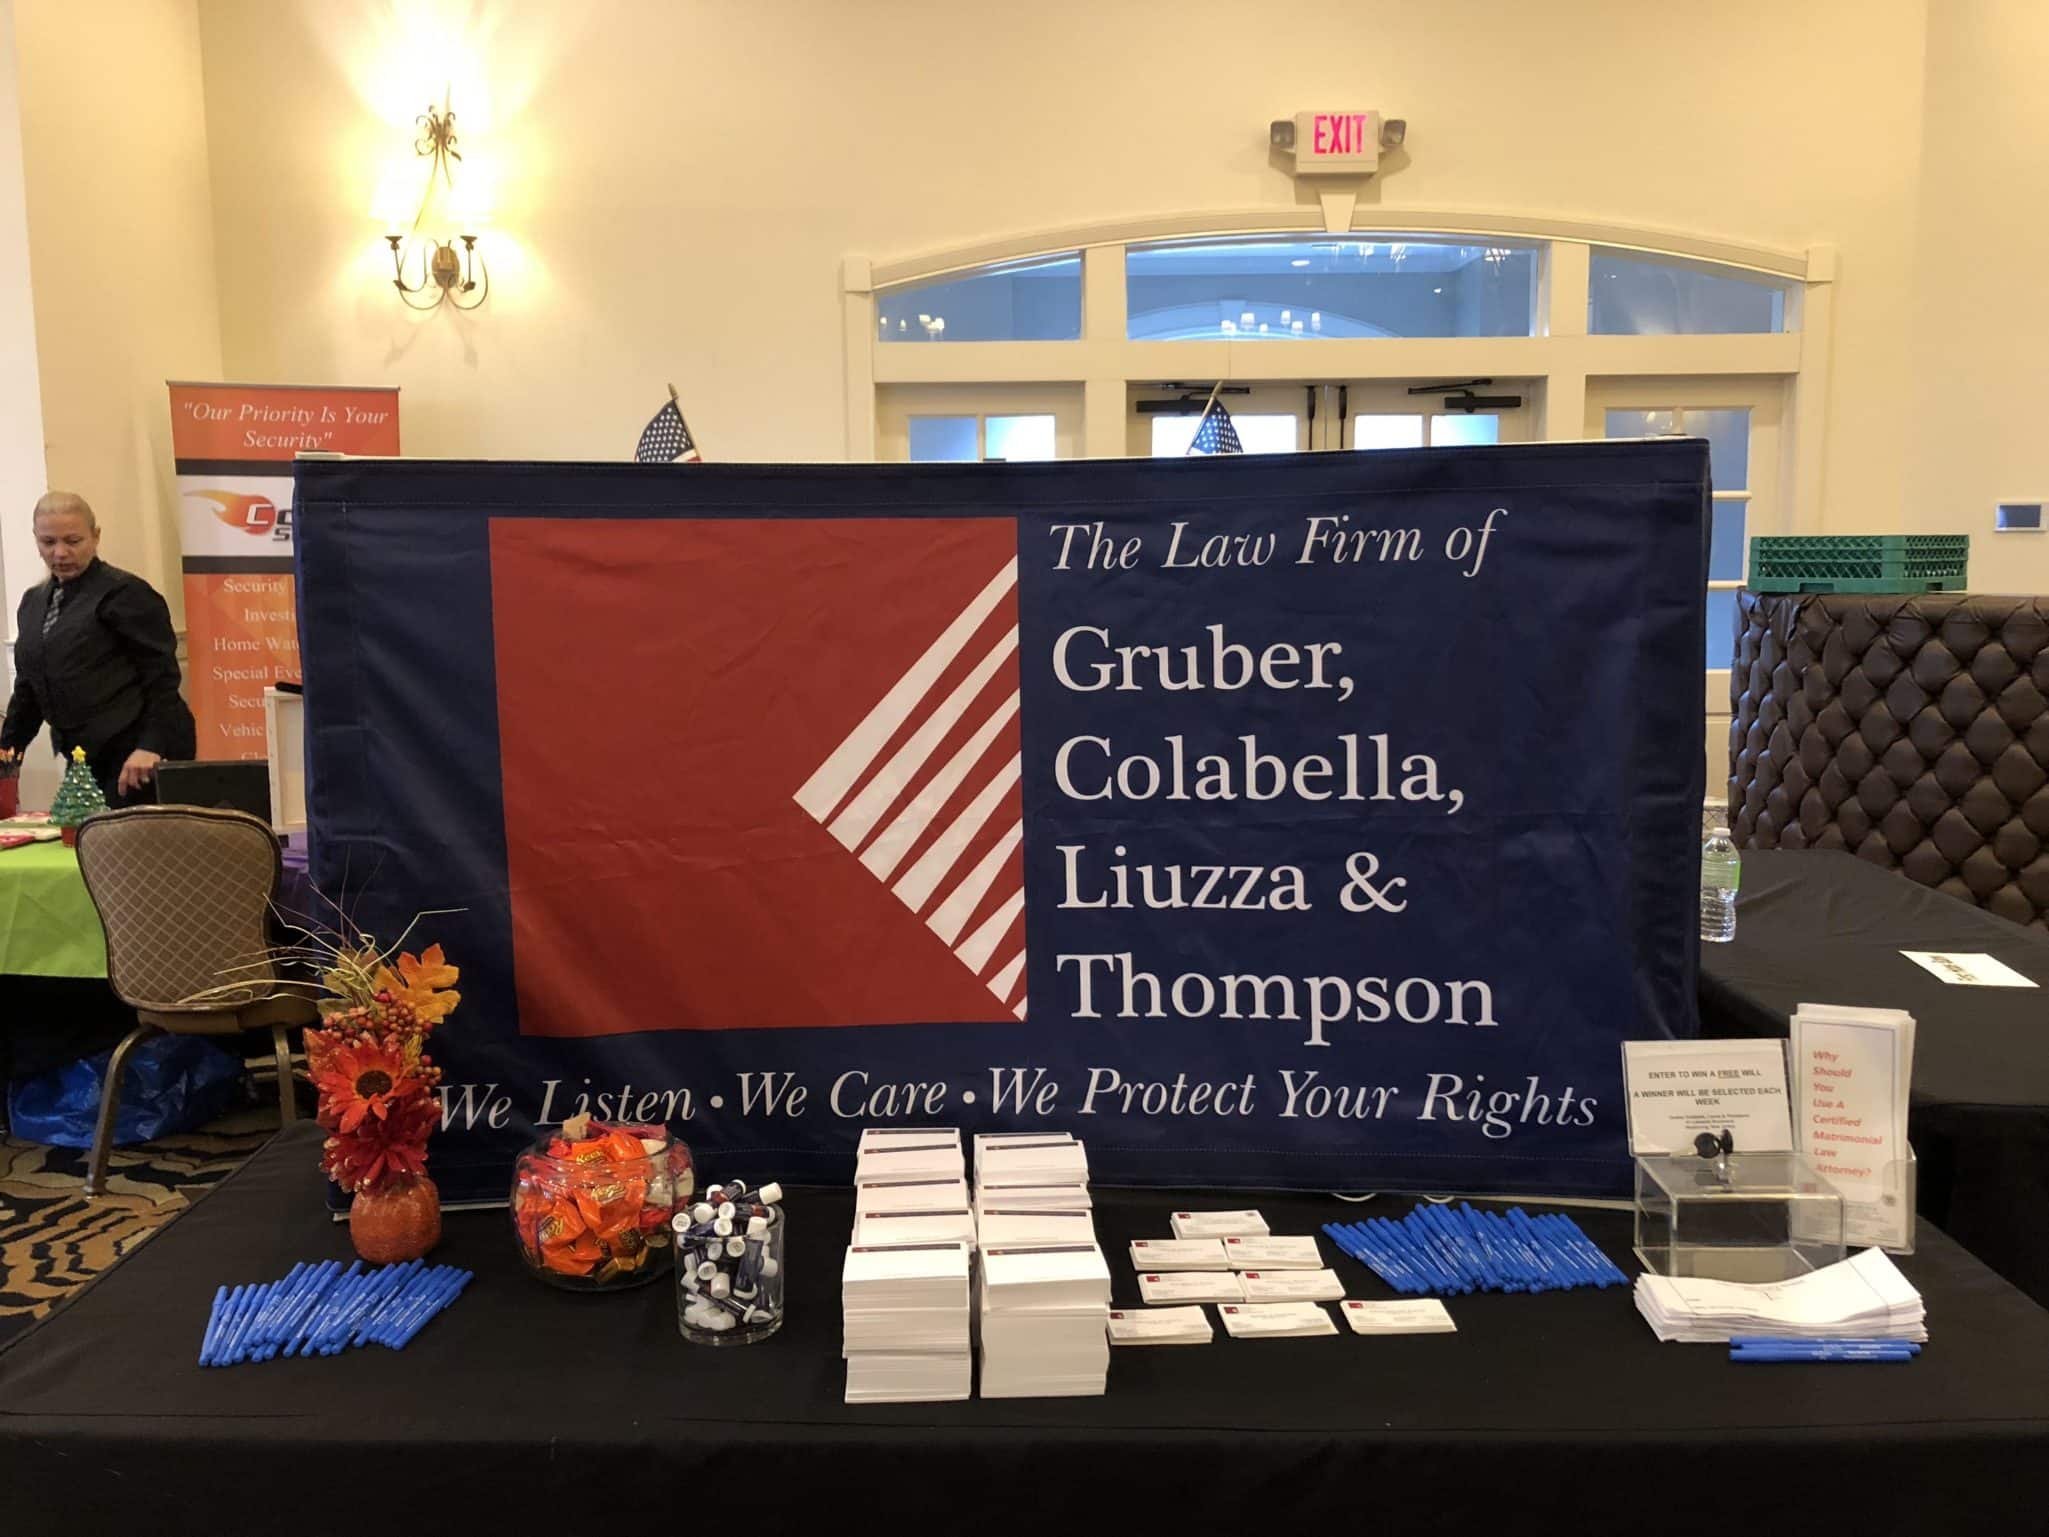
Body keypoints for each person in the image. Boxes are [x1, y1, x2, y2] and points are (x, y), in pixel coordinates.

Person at [0, 491, 195, 807]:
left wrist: (151, 746)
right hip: (83, 757)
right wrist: (7, 754)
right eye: (48, 542)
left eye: (73, 540)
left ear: (95, 536)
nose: (60, 552)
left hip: (141, 755)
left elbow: (162, 680)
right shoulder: (32, 603)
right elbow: (28, 691)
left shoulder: (128, 594)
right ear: (35, 540)